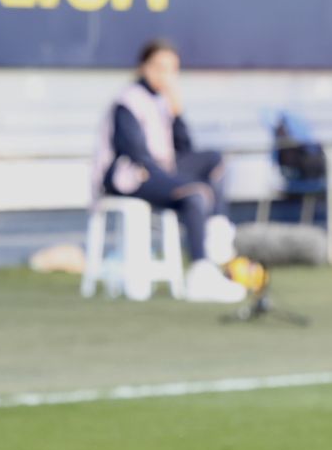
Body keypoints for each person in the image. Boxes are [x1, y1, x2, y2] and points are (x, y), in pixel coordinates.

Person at [93, 39, 246, 305]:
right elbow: (135, 154)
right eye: (159, 67)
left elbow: (184, 148)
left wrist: (178, 113)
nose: (165, 74)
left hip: (162, 171)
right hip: (129, 176)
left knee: (214, 161)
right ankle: (200, 274)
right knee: (196, 193)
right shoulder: (127, 101)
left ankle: (217, 234)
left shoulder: (162, 102)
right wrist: (177, 181)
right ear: (144, 67)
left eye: (171, 69)